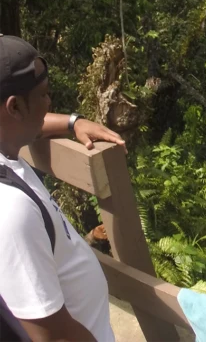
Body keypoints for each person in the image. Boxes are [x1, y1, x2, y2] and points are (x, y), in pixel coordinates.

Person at [0, 35, 126, 342]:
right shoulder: (12, 211)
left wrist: (73, 123)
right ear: (15, 108)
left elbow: (31, 124)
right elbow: (51, 336)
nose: (49, 102)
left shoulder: (8, 152)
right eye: (42, 95)